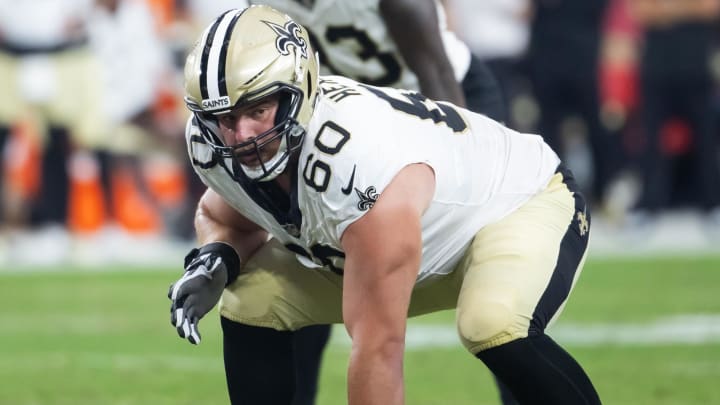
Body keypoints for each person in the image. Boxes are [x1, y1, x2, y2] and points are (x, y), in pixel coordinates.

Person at [168, 5, 601, 405]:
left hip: (517, 202)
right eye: (224, 118)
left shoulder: (358, 163)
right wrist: (215, 258)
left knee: (491, 323)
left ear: (295, 94)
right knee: (254, 299)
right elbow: (220, 214)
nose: (240, 136)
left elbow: (379, 352)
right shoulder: (210, 145)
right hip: (415, 232)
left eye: (257, 111)